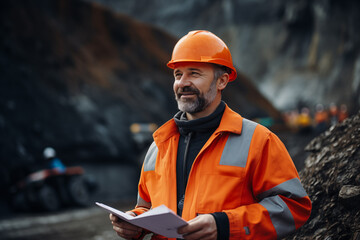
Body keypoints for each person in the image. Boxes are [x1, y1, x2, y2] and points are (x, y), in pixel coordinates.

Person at [110, 30, 312, 240]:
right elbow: (147, 206)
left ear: (222, 81)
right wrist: (135, 221)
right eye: (178, 74)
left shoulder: (258, 140)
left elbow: (294, 207)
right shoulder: (157, 146)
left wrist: (225, 226)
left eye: (194, 73)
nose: (183, 82)